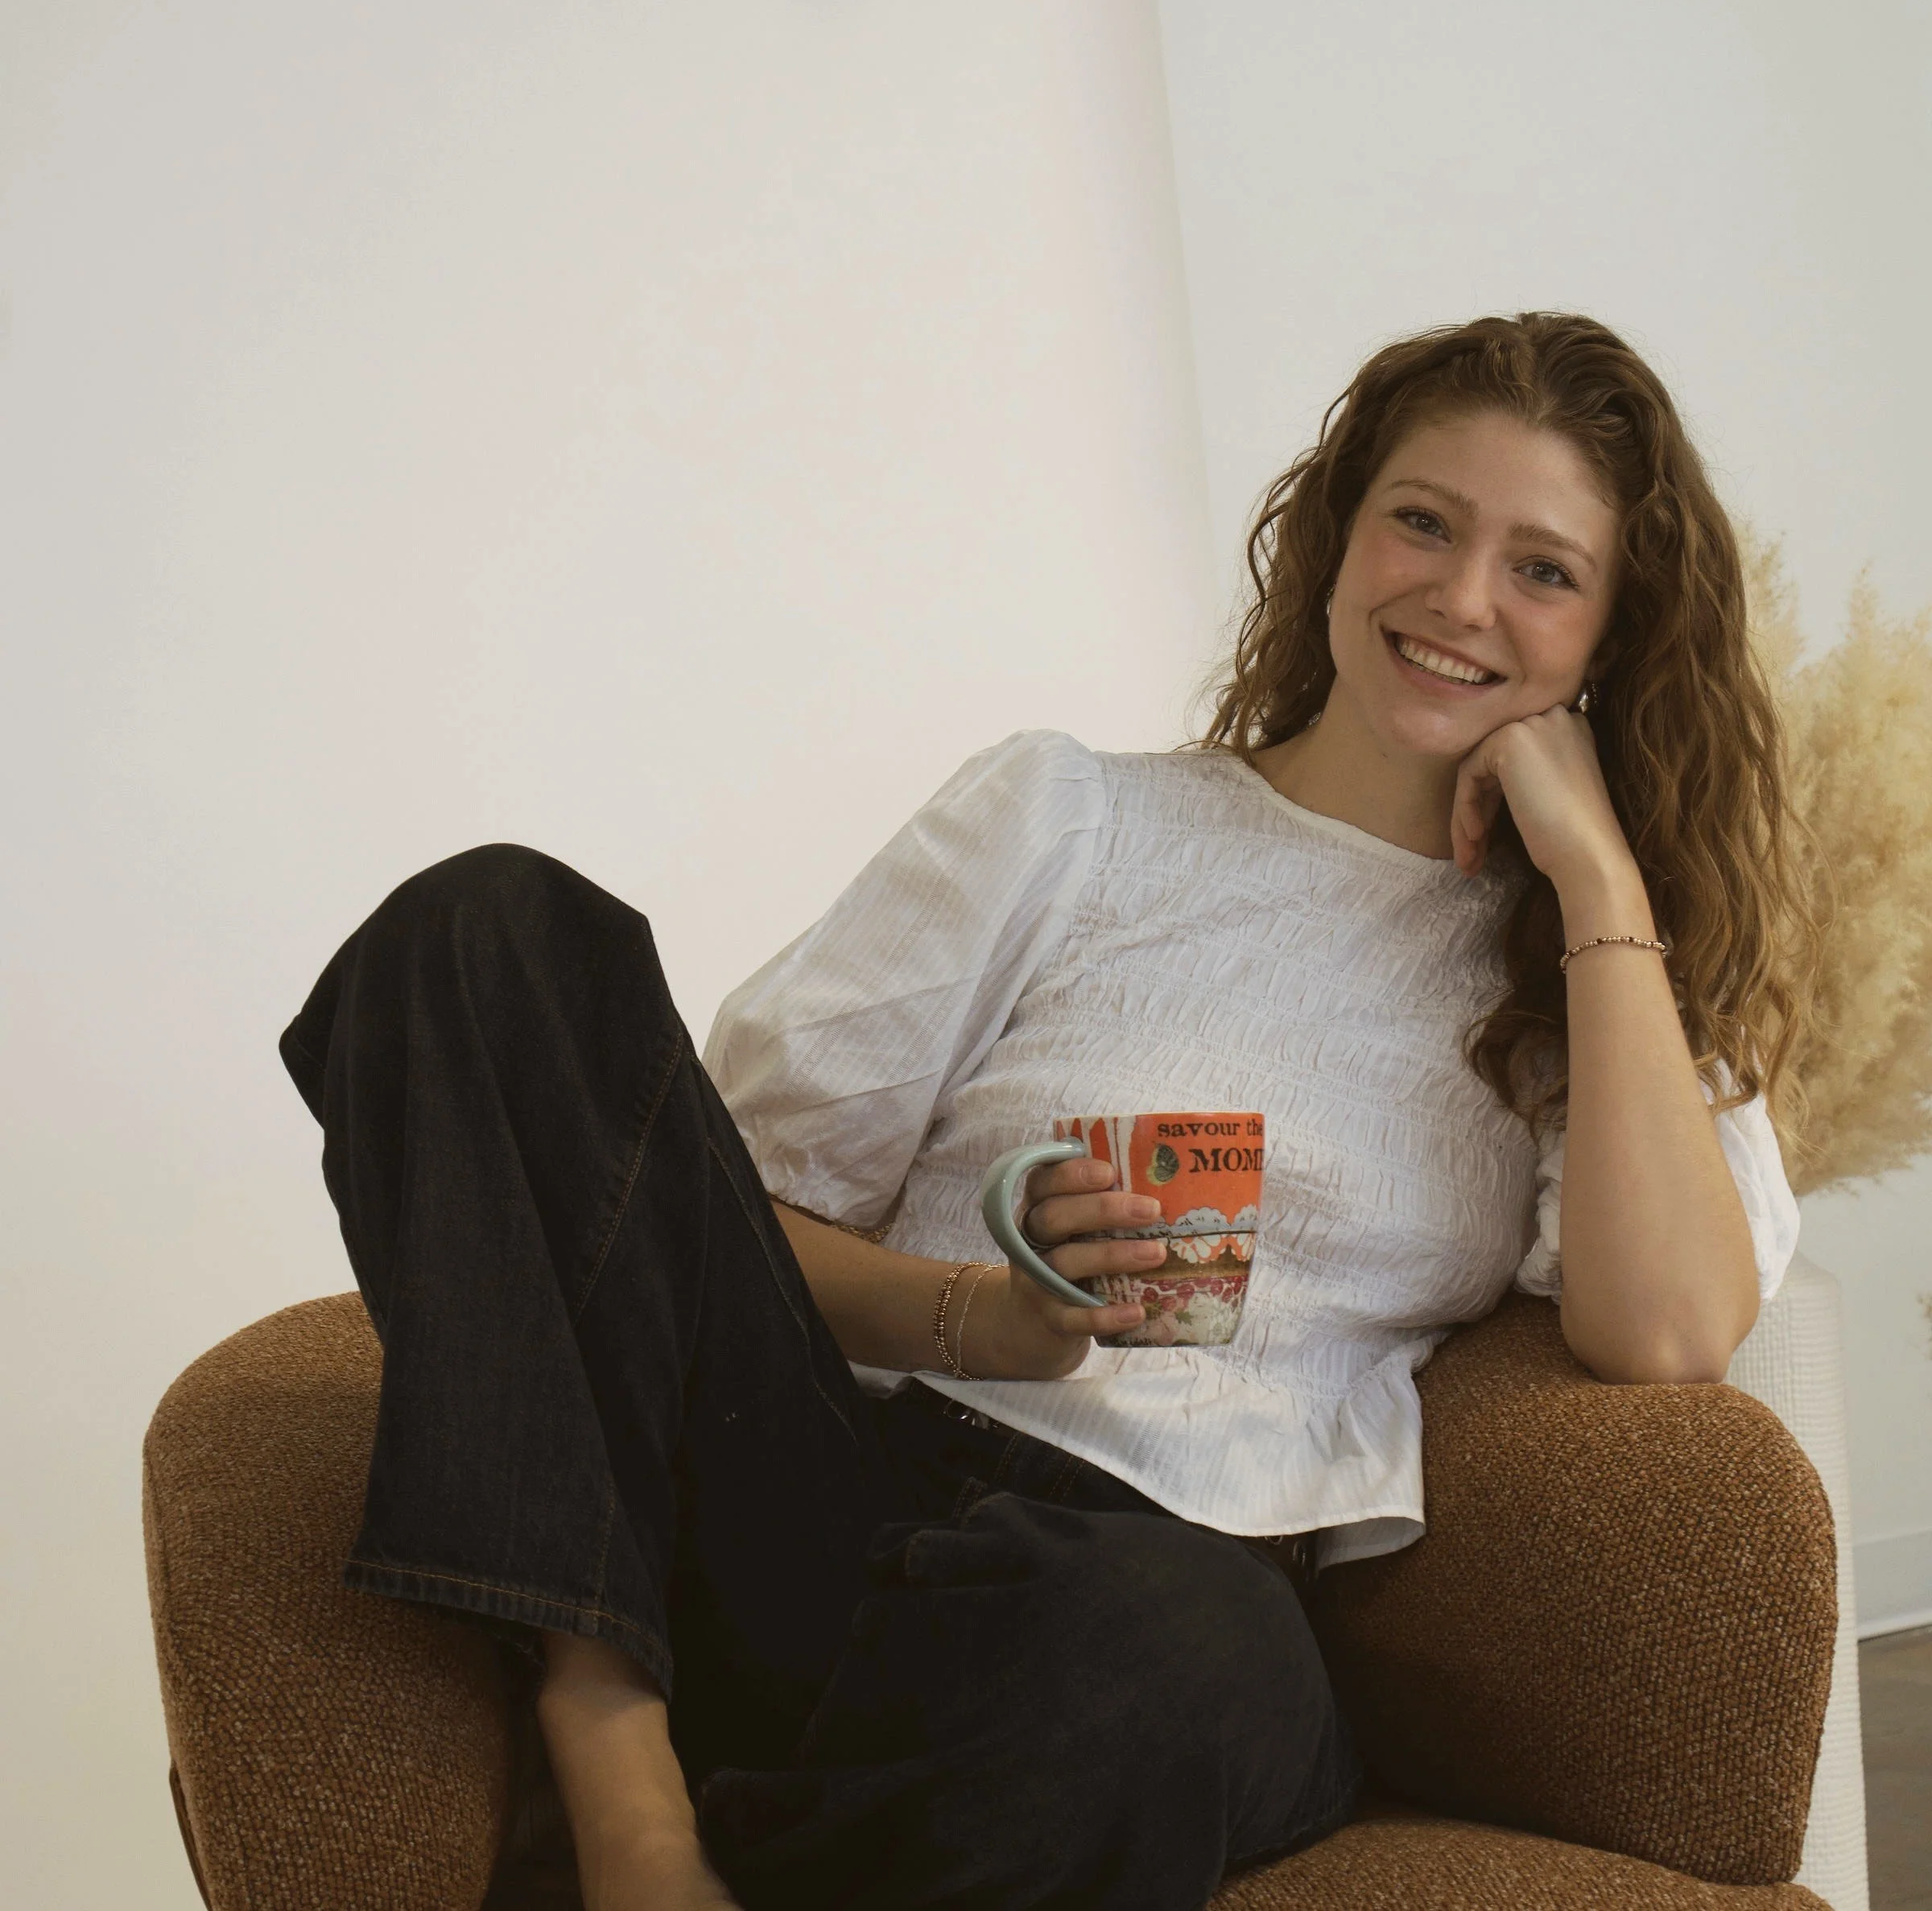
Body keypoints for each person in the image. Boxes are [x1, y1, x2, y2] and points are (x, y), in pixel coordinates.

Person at [281, 312, 1807, 1911]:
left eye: (1546, 569)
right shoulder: (1073, 818)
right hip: (833, 1512)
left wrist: (1599, 870)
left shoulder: (1594, 982)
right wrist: (986, 1318)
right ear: (1340, 529)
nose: (1462, 596)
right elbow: (682, 1242)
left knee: (1169, 1649)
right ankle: (612, 1768)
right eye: (1423, 519)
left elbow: (1669, 1329)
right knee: (487, 931)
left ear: (1616, 630)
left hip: (1162, 1603)